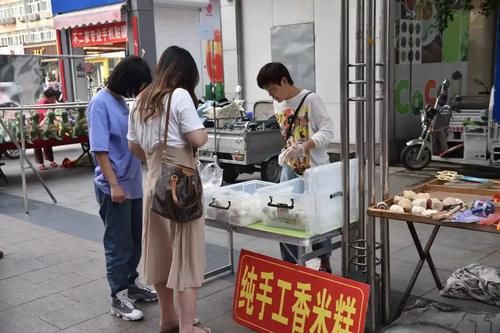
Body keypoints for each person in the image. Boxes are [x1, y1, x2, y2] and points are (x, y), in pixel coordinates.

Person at [128, 46, 210, 333]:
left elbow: (134, 148)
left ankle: (168, 320)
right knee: (186, 256)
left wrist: (156, 160)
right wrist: (204, 130)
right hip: (180, 188)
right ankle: (187, 327)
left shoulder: (140, 100)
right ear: (185, 74)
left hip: (153, 184)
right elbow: (197, 139)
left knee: (161, 254)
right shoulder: (179, 96)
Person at [87, 56, 157, 321]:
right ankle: (118, 297)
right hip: (114, 187)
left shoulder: (120, 101)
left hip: (133, 185)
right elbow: (100, 150)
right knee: (118, 244)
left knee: (135, 241)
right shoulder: (99, 104)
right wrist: (114, 184)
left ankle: (131, 285)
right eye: (138, 85)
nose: (140, 91)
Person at [257, 62, 335, 273]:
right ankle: (291, 264)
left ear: (284, 80)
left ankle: (323, 262)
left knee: (319, 217)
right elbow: (288, 134)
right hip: (290, 170)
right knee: (284, 214)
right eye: (267, 91)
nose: (272, 95)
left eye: (272, 89)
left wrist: (305, 146)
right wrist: (288, 152)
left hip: (315, 169)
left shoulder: (310, 99)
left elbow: (328, 131)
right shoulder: (277, 104)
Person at [35, 88, 59, 170]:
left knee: (48, 142)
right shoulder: (42, 103)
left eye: (55, 98)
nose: (55, 99)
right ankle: (41, 163)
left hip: (48, 124)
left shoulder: (53, 102)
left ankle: (51, 160)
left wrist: (56, 119)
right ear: (48, 97)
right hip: (39, 123)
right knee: (38, 143)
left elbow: (53, 114)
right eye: (53, 98)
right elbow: (46, 114)